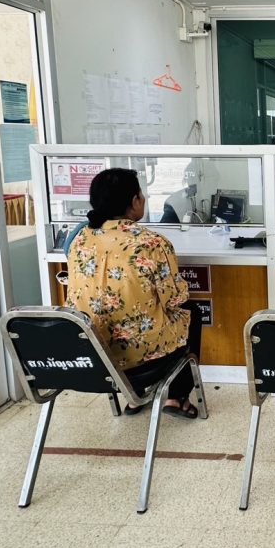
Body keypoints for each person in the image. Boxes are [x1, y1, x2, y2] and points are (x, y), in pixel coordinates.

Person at [66, 168, 201, 418]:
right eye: (141, 194)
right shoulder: (151, 243)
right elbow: (176, 298)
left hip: (95, 350)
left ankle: (134, 397)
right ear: (133, 201)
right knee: (190, 311)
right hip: (141, 355)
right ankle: (176, 397)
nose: (144, 199)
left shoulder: (79, 241)